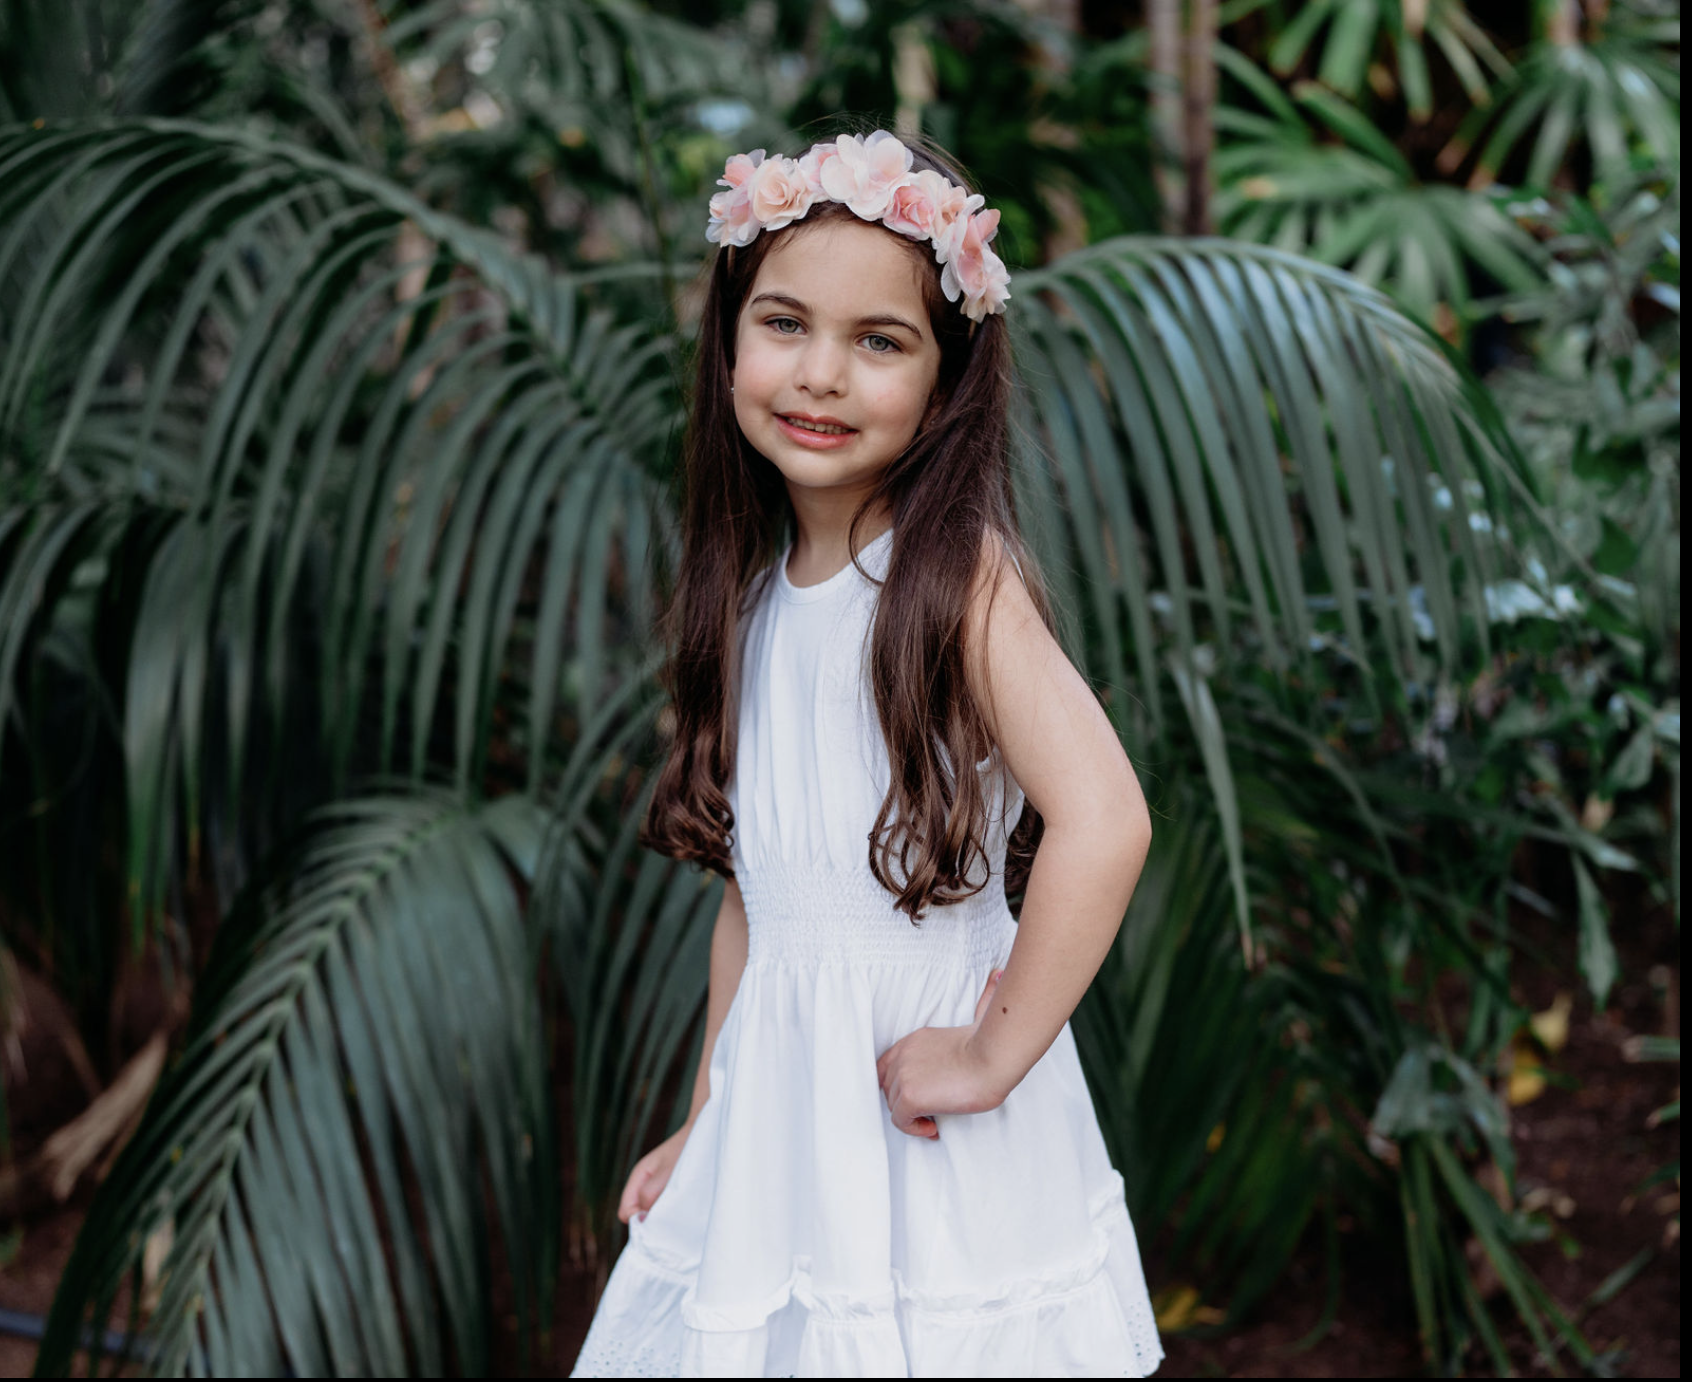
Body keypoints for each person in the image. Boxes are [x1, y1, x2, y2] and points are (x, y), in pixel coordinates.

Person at [570, 129, 1163, 1378]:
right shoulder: (749, 594)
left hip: (930, 1140)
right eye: (784, 324)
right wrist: (709, 1124)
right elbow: (759, 905)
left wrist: (993, 1052)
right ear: (729, 340)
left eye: (879, 340)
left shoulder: (951, 583)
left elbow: (1106, 818)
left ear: (948, 380)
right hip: (785, 1141)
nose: (820, 374)